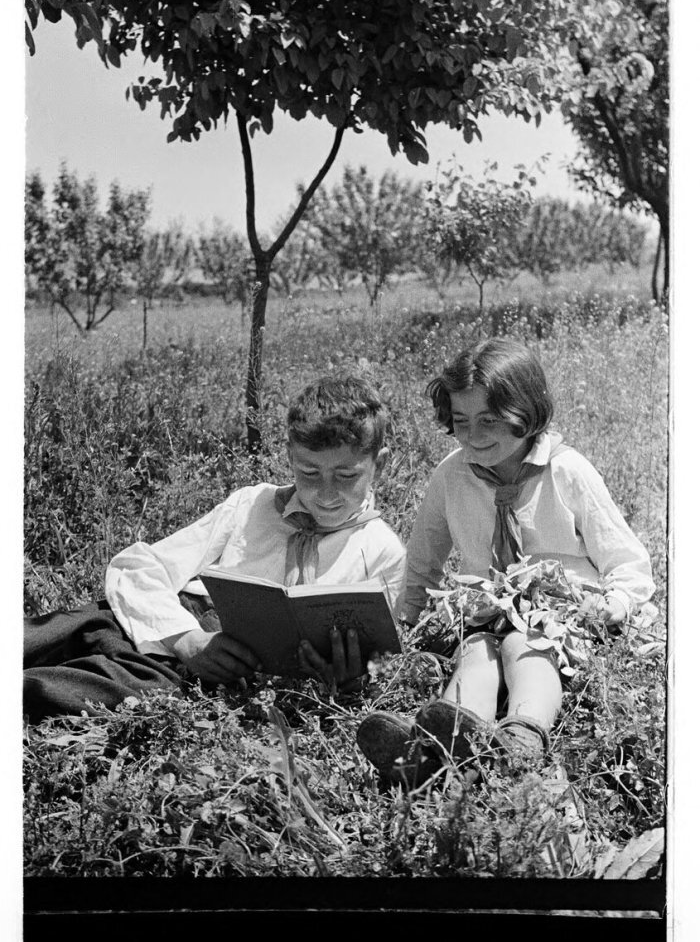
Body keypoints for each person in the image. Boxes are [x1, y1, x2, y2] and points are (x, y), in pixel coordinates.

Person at [357, 337, 655, 786]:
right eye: (461, 422)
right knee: (475, 652)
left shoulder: (566, 471)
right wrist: (405, 624)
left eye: (490, 421)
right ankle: (440, 745)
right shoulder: (450, 476)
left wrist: (615, 603)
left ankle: (522, 736)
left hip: (562, 615)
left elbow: (627, 560)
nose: (474, 436)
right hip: (489, 610)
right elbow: (423, 562)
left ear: (527, 412)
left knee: (525, 645)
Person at [24, 374, 407, 722]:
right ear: (289, 457)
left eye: (346, 476)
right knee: (52, 632)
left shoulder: (382, 552)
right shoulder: (253, 504)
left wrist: (346, 675)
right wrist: (186, 638)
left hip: (201, 669)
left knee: (64, 690)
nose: (325, 493)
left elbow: (381, 661)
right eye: (309, 472)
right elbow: (139, 566)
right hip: (167, 621)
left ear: (380, 465)